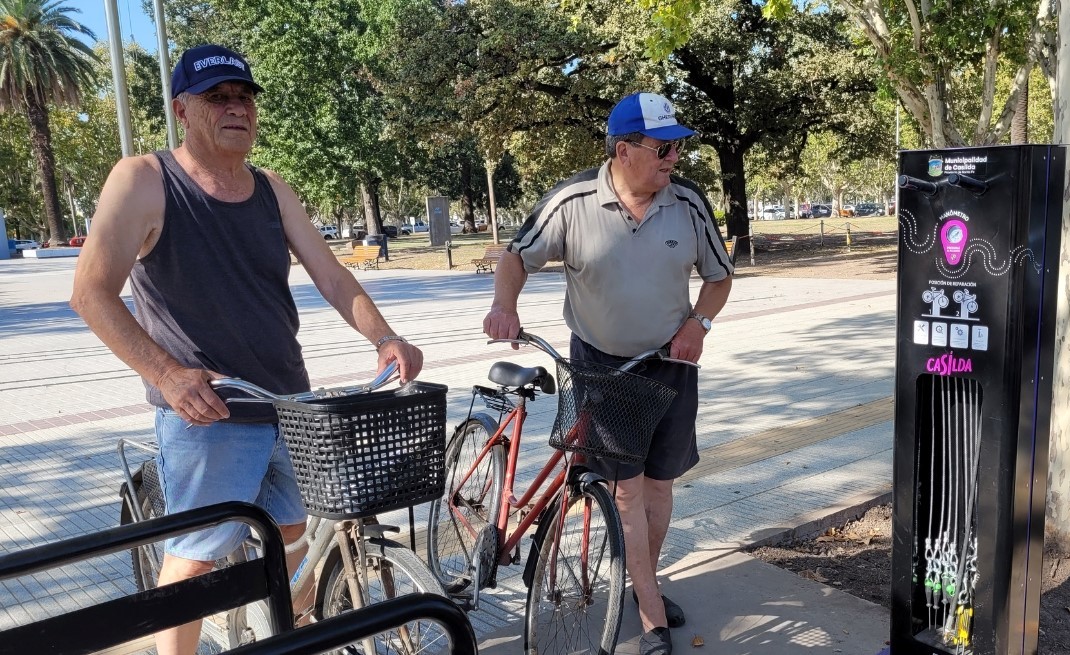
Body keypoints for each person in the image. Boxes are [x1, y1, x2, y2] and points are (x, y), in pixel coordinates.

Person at [69, 44, 423, 655]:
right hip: (209, 412)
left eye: (244, 96)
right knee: (194, 561)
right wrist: (169, 375)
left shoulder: (271, 189)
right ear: (183, 109)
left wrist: (384, 336)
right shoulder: (145, 180)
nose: (236, 107)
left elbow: (332, 276)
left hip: (290, 403)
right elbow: (90, 293)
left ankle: (269, 628)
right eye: (217, 97)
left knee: (293, 533)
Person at [483, 91, 732, 655]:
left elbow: (719, 277)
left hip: (671, 365)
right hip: (600, 368)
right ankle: (650, 616)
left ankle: (639, 582)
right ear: (623, 150)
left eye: (677, 148)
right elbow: (516, 257)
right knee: (626, 495)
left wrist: (699, 323)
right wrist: (505, 305)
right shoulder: (572, 200)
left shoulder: (687, 202)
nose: (674, 158)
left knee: (660, 488)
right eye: (662, 148)